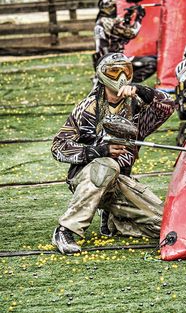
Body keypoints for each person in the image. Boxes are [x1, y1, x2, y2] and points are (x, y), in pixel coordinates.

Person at [51, 52, 174, 255]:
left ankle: (115, 221)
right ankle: (65, 230)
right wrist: (99, 151)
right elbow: (58, 147)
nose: (121, 78)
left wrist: (142, 91)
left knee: (164, 224)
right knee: (107, 165)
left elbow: (168, 106)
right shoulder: (87, 108)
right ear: (102, 75)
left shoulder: (137, 106)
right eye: (114, 72)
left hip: (119, 182)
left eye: (125, 71)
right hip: (86, 177)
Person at [92, 0, 157, 84]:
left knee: (153, 58)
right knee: (151, 63)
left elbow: (121, 37)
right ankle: (123, 83)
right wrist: (139, 18)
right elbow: (132, 33)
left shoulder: (101, 21)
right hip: (113, 63)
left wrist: (127, 19)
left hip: (104, 62)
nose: (115, 9)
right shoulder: (108, 22)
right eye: (113, 6)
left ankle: (117, 81)